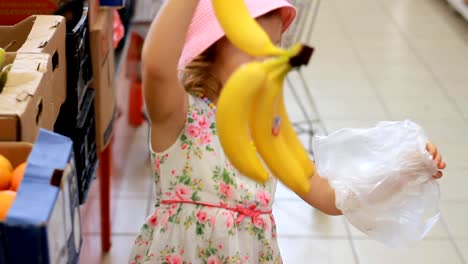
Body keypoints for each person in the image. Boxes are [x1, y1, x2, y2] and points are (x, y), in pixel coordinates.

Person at [129, 0, 447, 263]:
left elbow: (330, 196)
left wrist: (405, 169)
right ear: (210, 50)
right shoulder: (178, 115)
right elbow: (157, 67)